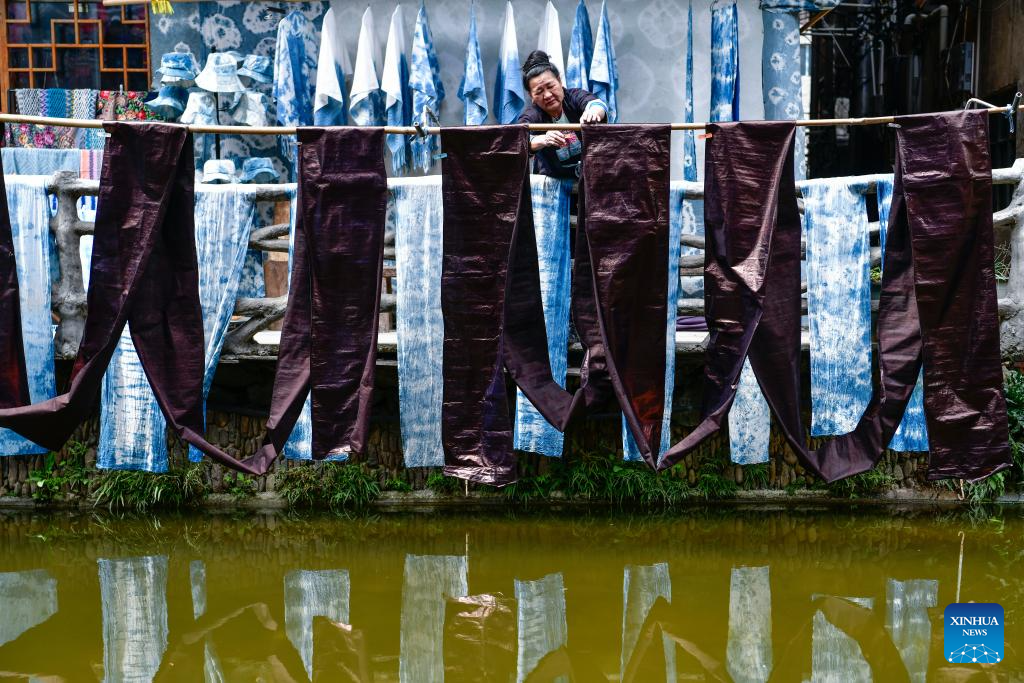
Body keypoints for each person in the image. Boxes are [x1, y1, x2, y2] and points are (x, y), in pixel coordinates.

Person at [517, 50, 608, 178]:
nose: (547, 95)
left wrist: (592, 113)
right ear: (531, 96)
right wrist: (543, 139)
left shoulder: (574, 96)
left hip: (590, 175)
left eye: (550, 86)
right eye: (539, 91)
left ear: (559, 81)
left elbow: (596, 104)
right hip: (552, 183)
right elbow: (519, 138)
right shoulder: (532, 114)